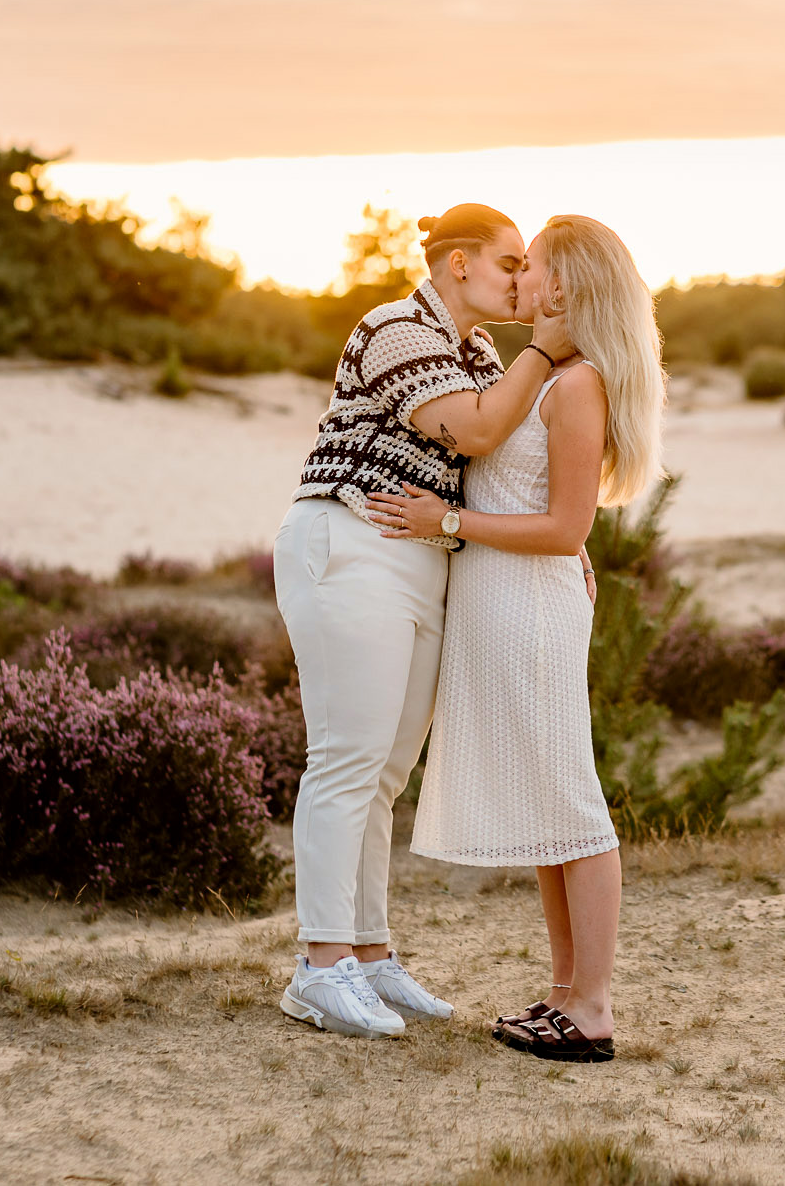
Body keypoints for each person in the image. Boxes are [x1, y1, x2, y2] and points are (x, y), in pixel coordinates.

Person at [272, 203, 577, 1040]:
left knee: (385, 772)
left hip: (421, 560)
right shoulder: (397, 327)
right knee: (344, 760)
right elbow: (476, 428)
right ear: (457, 266)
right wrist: (549, 342)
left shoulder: (477, 350)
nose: (526, 279)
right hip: (350, 545)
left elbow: (482, 467)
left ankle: (368, 956)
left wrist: (564, 534)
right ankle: (319, 967)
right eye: (511, 263)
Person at [369, 214, 666, 1063]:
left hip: (532, 602)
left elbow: (568, 525)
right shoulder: (538, 375)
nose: (518, 278)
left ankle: (595, 1008)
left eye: (530, 266)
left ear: (563, 287)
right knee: (546, 808)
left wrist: (447, 519)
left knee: (571, 800)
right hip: (503, 598)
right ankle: (565, 991)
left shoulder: (577, 387)